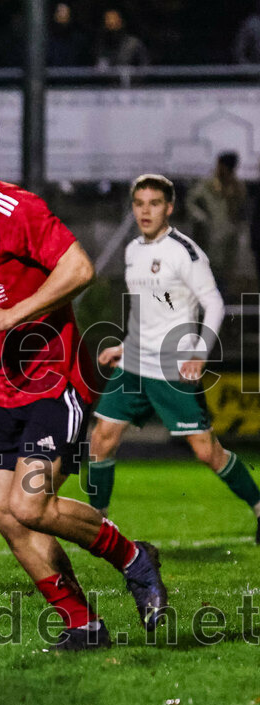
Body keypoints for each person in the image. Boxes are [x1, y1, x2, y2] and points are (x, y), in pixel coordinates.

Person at [0, 98, 167, 651]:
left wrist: (7, 316)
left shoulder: (13, 207)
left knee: (31, 504)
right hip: (9, 385)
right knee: (5, 513)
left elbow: (79, 267)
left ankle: (135, 559)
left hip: (58, 377)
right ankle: (83, 624)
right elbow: (1, 305)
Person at [87, 174, 260, 540]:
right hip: (133, 363)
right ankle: (96, 525)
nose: (145, 211)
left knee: (205, 451)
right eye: (139, 203)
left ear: (169, 207)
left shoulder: (185, 252)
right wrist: (125, 345)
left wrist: (199, 352)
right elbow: (146, 309)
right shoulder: (133, 249)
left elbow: (213, 304)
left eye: (154, 204)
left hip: (171, 368)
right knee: (102, 438)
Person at [187, 152, 247, 283]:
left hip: (228, 238)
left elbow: (240, 210)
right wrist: (200, 217)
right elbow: (191, 203)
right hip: (208, 236)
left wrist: (237, 226)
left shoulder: (236, 187)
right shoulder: (208, 185)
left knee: (225, 274)